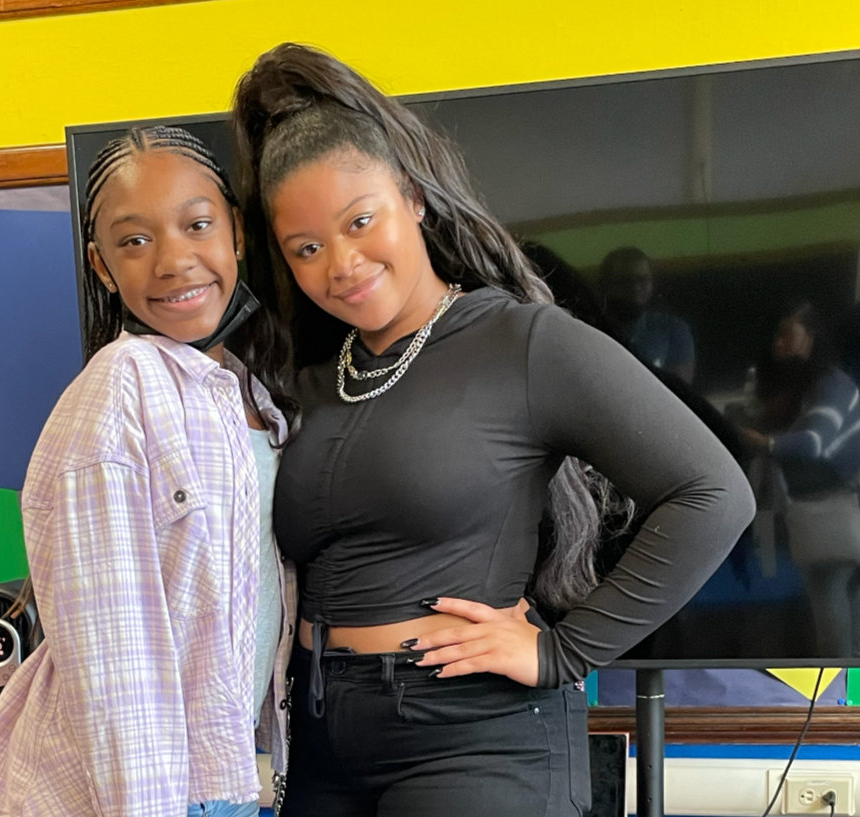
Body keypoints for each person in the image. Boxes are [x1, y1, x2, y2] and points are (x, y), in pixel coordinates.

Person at [231, 43, 755, 817]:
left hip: (472, 736)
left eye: (360, 220)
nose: (339, 263)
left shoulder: (523, 342)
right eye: (306, 248)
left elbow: (713, 493)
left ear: (410, 197)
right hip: (318, 736)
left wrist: (561, 651)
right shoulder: (310, 377)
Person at [0, 125, 297, 817]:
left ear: (236, 234)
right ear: (101, 265)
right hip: (138, 792)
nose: (173, 260)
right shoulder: (119, 389)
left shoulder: (253, 396)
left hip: (219, 778)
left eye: (197, 225)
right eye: (134, 240)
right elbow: (114, 656)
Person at [740, 301, 860, 656]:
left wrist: (760, 441)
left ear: (811, 338)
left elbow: (812, 443)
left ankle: (841, 695)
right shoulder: (813, 389)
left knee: (829, 596)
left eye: (787, 334)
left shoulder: (833, 386)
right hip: (833, 512)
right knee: (845, 600)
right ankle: (850, 699)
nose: (779, 343)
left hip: (836, 511)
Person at [598, 246, 696, 384]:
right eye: (624, 282)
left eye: (642, 280)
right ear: (606, 285)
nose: (635, 288)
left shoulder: (673, 329)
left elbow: (679, 390)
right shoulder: (592, 329)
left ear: (652, 283)